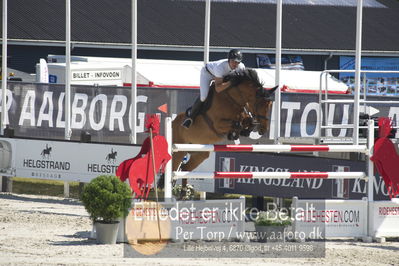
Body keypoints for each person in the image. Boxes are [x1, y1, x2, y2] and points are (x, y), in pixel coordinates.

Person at [181, 49, 245, 129]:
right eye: (233, 61)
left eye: (237, 62)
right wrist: (230, 83)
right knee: (204, 97)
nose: (235, 64)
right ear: (229, 60)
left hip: (223, 76)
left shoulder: (241, 67)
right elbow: (218, 88)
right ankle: (190, 117)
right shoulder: (220, 67)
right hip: (208, 74)